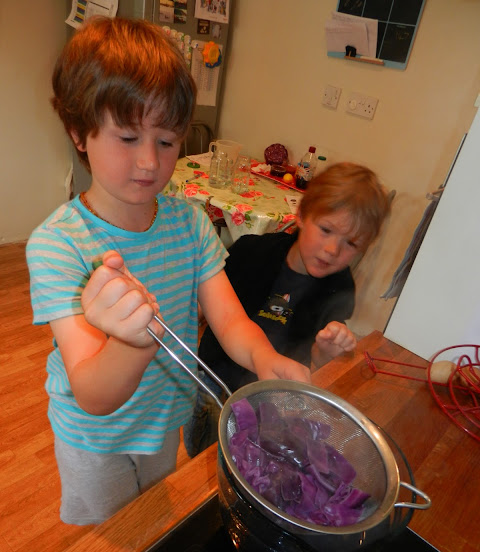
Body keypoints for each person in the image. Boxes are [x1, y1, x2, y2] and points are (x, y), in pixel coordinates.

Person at [26, 17, 310, 526]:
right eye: (128, 136)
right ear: (79, 133)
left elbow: (230, 322)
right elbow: (93, 394)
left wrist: (264, 358)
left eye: (166, 141)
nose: (149, 162)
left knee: (153, 521)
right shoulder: (57, 246)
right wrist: (133, 342)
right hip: (96, 440)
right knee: (113, 541)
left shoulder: (190, 222)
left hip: (163, 417)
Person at [185, 162, 391, 457]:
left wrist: (328, 350)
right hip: (215, 381)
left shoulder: (340, 289)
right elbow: (210, 301)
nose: (332, 250)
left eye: (351, 243)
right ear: (302, 215)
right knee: (203, 457)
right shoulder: (252, 251)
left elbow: (318, 361)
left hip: (272, 402)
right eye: (326, 230)